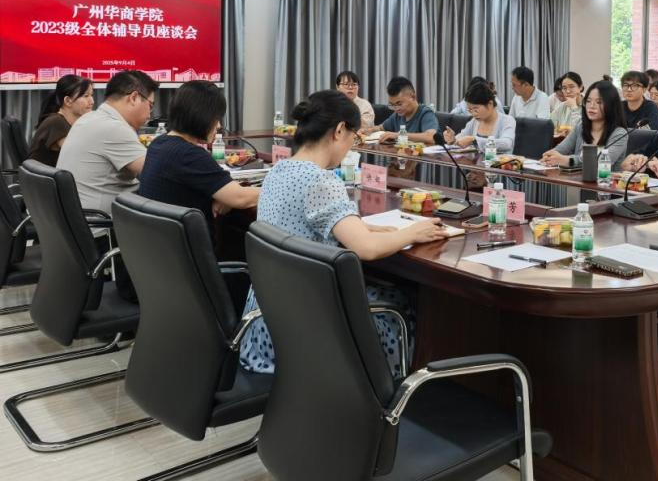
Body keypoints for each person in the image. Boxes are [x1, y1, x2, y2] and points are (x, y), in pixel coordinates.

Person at [239, 90, 448, 377]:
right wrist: (413, 231)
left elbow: (306, 220)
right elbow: (367, 249)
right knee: (401, 300)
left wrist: (363, 225)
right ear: (339, 130)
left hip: (266, 321)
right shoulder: (321, 180)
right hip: (306, 330)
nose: (352, 146)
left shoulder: (279, 170)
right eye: (354, 137)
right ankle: (388, 392)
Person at [138, 81, 260, 225]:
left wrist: (224, 196)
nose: (219, 125)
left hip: (160, 235)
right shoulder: (189, 155)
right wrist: (278, 189)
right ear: (202, 116)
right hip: (189, 238)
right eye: (216, 118)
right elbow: (240, 198)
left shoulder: (158, 143)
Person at [57, 69, 155, 215]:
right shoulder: (114, 127)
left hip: (74, 216)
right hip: (101, 223)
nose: (150, 114)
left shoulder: (89, 118)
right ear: (134, 97)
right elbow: (156, 172)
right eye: (150, 105)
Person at [542, 80, 629, 169]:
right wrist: (549, 156)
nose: (591, 106)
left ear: (611, 105)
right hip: (577, 178)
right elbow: (561, 149)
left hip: (604, 178)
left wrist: (569, 161)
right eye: (588, 101)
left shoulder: (619, 134)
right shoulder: (581, 127)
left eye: (599, 102)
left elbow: (601, 163)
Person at [28, 75, 94, 166]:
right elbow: (79, 155)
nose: (92, 101)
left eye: (91, 95)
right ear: (68, 101)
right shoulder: (57, 122)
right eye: (85, 96)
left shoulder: (67, 121)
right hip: (49, 175)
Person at [442, 81, 516, 152]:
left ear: (490, 104)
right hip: (476, 161)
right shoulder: (474, 121)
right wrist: (453, 140)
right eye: (470, 110)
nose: (473, 114)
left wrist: (474, 140)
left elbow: (506, 144)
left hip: (499, 161)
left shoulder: (507, 120)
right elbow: (461, 138)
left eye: (475, 109)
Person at [367, 77, 439, 144]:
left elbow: (431, 137)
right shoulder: (397, 115)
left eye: (399, 104)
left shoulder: (426, 113)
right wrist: (369, 130)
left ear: (413, 97)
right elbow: (381, 128)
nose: (396, 109)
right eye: (392, 105)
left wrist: (398, 135)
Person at [550, 71, 583, 138]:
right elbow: (548, 125)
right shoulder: (562, 106)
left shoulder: (589, 105)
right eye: (564, 88)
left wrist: (574, 107)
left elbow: (582, 131)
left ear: (580, 87)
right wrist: (557, 131)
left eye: (571, 87)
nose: (568, 91)